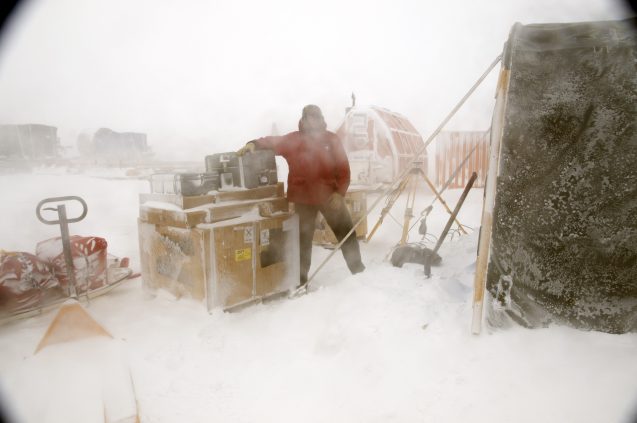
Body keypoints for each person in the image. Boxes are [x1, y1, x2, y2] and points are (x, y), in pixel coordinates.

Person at [237, 104, 365, 286]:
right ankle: (300, 282)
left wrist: (339, 194)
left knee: (347, 234)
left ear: (321, 119)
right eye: (309, 117)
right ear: (303, 120)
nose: (313, 121)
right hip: (303, 200)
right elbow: (272, 141)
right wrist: (254, 144)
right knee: (302, 243)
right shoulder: (294, 140)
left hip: (330, 198)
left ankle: (358, 271)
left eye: (316, 117)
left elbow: (344, 171)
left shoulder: (332, 140)